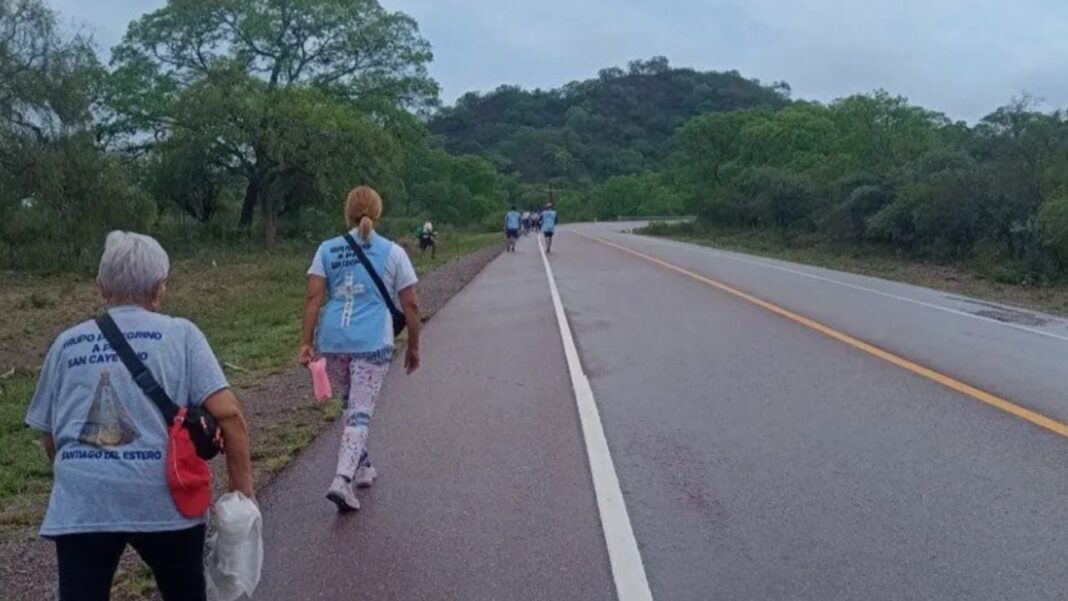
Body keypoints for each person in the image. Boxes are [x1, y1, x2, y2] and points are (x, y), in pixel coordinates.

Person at [25, 231, 253, 601]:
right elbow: (230, 417)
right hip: (166, 499)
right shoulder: (182, 335)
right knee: (184, 592)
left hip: (83, 504)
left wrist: (88, 476)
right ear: (159, 289)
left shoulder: (66, 343)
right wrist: (242, 495)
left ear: (101, 287)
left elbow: (50, 437)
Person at [299, 185, 421, 512]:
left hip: (333, 340)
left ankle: (363, 466)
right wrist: (414, 345)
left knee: (351, 402)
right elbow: (410, 305)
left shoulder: (327, 249)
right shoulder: (393, 252)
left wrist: (306, 342)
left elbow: (313, 297)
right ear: (378, 212)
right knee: (361, 411)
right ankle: (342, 479)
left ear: (347, 213)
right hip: (372, 340)